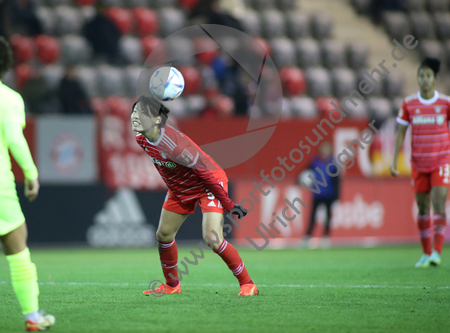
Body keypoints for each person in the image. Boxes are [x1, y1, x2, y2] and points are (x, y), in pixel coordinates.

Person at [131, 95, 258, 297]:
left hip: (207, 184)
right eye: (134, 112)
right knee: (163, 235)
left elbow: (205, 174)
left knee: (212, 239)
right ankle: (172, 286)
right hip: (179, 189)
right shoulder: (141, 139)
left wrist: (228, 203)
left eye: (141, 113)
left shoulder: (176, 145)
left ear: (157, 119)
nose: (135, 116)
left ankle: (248, 284)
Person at [0, 37, 55, 331]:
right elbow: (13, 137)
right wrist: (31, 173)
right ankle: (32, 317)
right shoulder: (8, 98)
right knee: (16, 240)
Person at [391, 57, 449, 268]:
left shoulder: (445, 103)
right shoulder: (409, 103)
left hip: (441, 160)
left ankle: (437, 252)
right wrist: (395, 159)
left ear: (434, 79)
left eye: (428, 76)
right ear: (417, 78)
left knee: (440, 200)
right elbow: (400, 133)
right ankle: (425, 253)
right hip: (419, 163)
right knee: (423, 208)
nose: (424, 80)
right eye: (421, 76)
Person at [300, 141, 340, 248]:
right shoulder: (315, 161)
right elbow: (305, 172)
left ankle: (326, 238)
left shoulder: (333, 164)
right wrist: (300, 179)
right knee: (312, 216)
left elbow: (337, 181)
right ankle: (307, 237)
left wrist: (337, 196)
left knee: (328, 217)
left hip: (329, 194)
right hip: (317, 194)